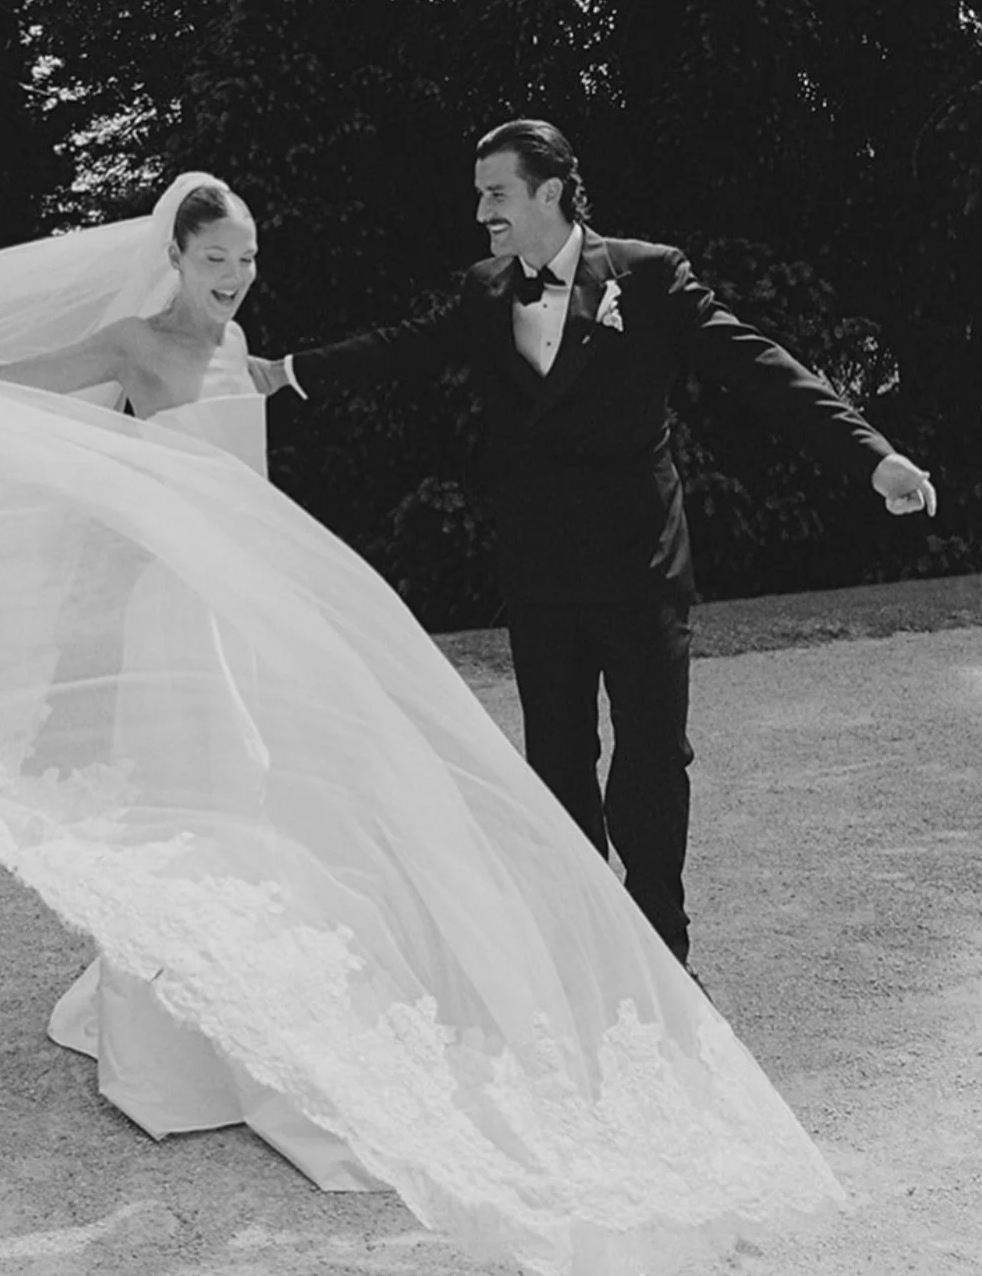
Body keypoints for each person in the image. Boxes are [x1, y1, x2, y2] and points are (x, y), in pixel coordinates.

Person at [0, 171, 850, 1276]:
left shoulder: (246, 345)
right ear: (175, 257)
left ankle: (246, 1011)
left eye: (249, 260)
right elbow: (14, 403)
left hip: (256, 606)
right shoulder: (131, 340)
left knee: (276, 797)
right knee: (194, 800)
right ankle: (174, 1036)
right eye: (218, 261)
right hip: (174, 610)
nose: (235, 279)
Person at [260, 119, 936, 972]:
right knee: (559, 760)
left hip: (640, 563)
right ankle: (580, 949)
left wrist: (872, 456)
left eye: (495, 194)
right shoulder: (484, 289)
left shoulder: (648, 276)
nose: (481, 213)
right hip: (540, 570)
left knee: (652, 757)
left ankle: (661, 953)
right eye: (479, 196)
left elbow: (756, 363)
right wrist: (287, 371)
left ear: (550, 191)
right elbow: (406, 347)